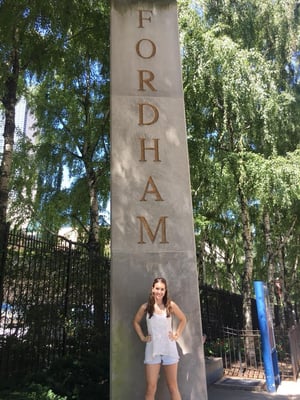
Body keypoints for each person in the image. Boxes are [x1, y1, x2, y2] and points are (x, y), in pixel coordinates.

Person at [133, 277, 187, 400]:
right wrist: (142, 337)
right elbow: (135, 322)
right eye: (157, 288)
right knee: (151, 387)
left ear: (165, 290)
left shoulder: (170, 305)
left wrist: (177, 334)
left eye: (162, 289)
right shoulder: (145, 307)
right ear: (152, 289)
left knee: (173, 386)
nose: (159, 292)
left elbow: (183, 319)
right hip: (152, 350)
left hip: (169, 349)